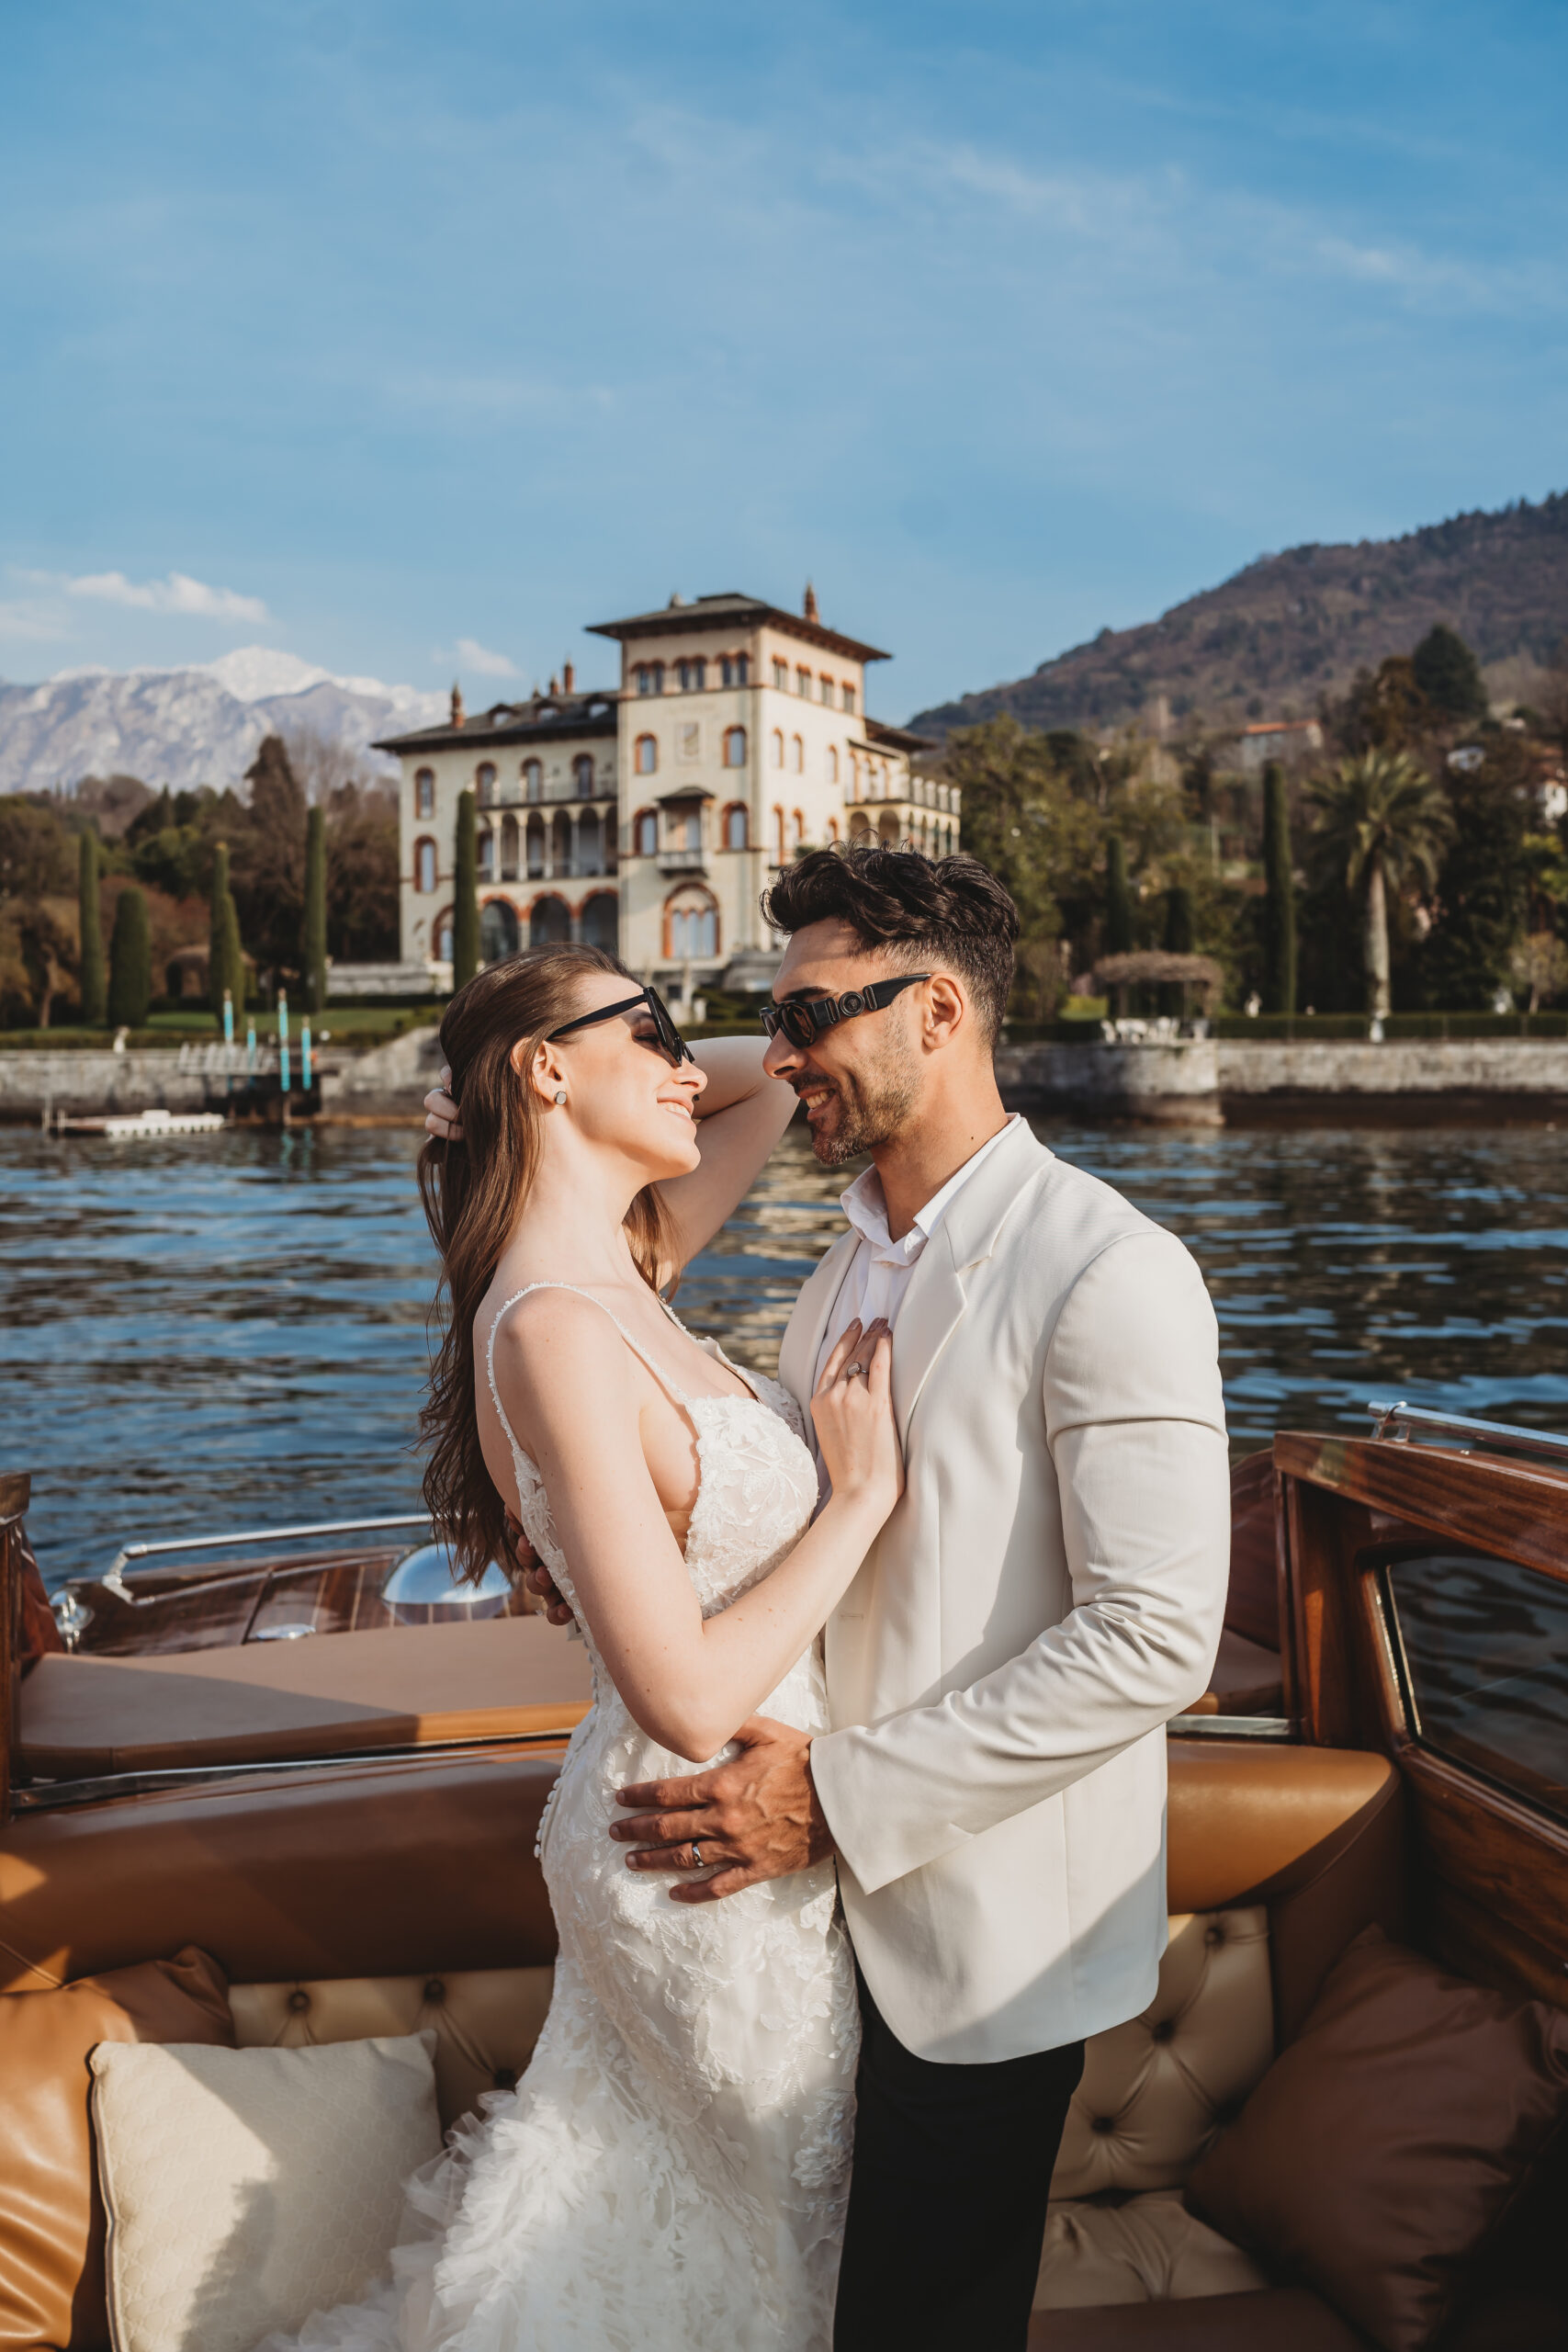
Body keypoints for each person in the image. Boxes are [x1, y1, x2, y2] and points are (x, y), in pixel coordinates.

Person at [518, 846, 1231, 2348]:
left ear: (942, 1014)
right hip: (794, 1931)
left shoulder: (1112, 1269)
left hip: (981, 1935)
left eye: (813, 1016)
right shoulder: (838, 1267)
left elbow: (1156, 1637)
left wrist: (833, 1798)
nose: (773, 1060)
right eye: (771, 1020)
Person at [260, 943, 902, 2352]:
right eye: (657, 1037)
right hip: (696, 1838)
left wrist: (543, 1071)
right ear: (549, 1075)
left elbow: (774, 1085)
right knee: (742, 2259)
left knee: (732, 2250)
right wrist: (858, 1502)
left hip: (743, 1835)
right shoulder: (553, 1326)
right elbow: (678, 1697)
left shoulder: (628, 1267)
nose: (694, 1068)